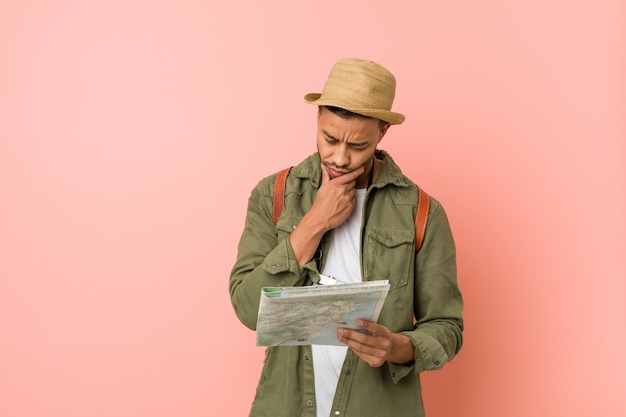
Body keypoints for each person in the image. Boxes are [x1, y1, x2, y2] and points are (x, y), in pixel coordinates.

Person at [229, 57, 464, 417]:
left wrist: (398, 347)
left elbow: (447, 326)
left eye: (358, 146)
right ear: (318, 116)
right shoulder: (272, 195)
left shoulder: (422, 212)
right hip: (287, 405)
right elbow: (249, 311)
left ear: (382, 132)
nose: (340, 158)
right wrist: (314, 222)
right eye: (331, 139)